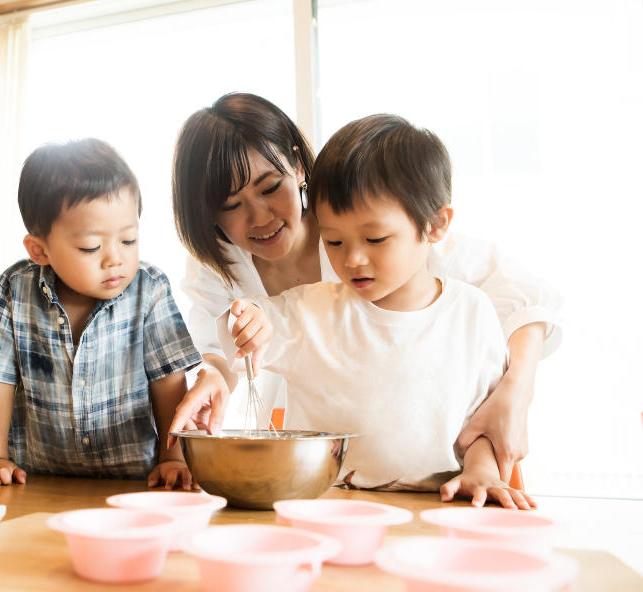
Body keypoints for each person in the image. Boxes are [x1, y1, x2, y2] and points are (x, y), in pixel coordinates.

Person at [170, 93, 561, 482]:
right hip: (321, 464)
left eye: (270, 187)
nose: (259, 216)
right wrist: (217, 373)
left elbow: (524, 296)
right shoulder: (219, 264)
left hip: (440, 469)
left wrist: (516, 392)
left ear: (299, 166)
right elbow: (221, 343)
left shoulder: (387, 231)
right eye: (232, 205)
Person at [0, 139, 202, 489]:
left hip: (135, 482)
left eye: (128, 240)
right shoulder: (14, 290)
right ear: (39, 250)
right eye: (91, 247)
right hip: (38, 481)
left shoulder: (150, 289)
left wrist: (173, 458)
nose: (115, 258)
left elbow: (169, 382)